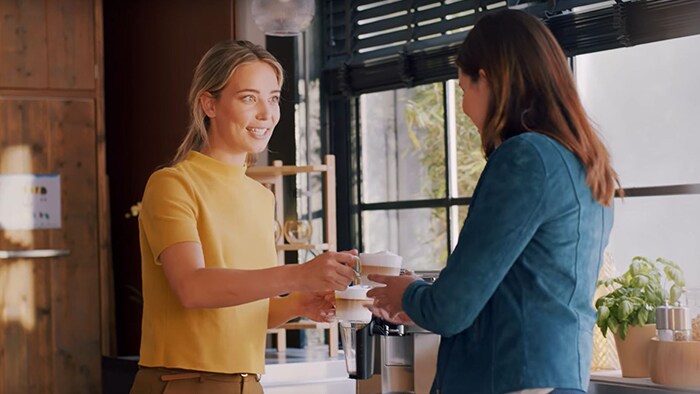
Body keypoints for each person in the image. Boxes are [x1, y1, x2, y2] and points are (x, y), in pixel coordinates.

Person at [367, 9, 622, 394]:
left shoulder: (526, 158)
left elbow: (450, 310)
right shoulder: (582, 162)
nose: (466, 108)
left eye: (463, 89)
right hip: (558, 377)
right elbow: (513, 291)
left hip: (513, 380)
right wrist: (421, 296)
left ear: (485, 79)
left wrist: (406, 291)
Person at [129, 40, 358, 394]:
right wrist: (299, 275)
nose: (266, 114)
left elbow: (250, 310)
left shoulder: (260, 198)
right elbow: (193, 287)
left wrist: (299, 302)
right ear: (210, 104)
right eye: (249, 98)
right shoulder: (172, 184)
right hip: (182, 383)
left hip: (247, 385)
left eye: (273, 98)